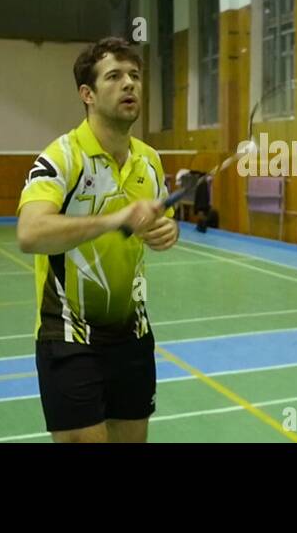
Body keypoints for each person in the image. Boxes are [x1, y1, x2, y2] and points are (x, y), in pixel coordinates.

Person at [17, 37, 179, 443]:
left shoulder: (149, 161)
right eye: (115, 76)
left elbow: (160, 222)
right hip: (69, 336)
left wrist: (166, 231)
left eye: (135, 76)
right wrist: (114, 219)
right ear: (87, 94)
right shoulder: (62, 157)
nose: (130, 84)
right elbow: (30, 233)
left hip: (133, 335)